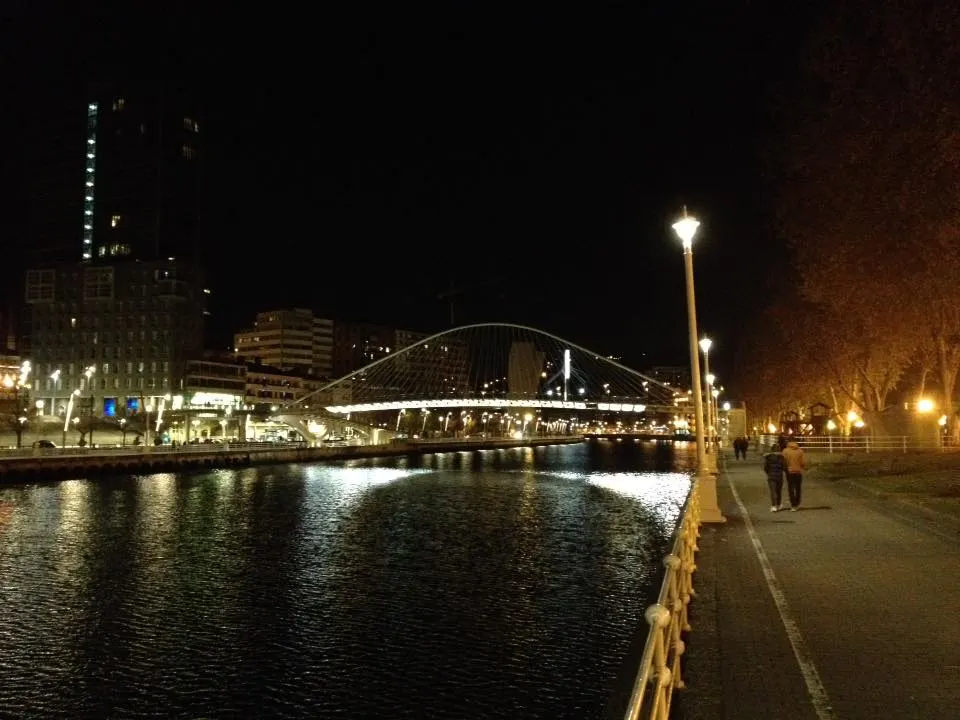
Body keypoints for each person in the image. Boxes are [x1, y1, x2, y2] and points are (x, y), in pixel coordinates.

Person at [781, 440, 807, 511]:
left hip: (789, 472)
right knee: (798, 488)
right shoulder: (800, 451)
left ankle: (793, 505)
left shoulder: (785, 451)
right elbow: (803, 462)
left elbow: (783, 462)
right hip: (798, 472)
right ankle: (797, 503)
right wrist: (803, 467)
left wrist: (785, 469)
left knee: (791, 488)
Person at [763, 443, 787, 512]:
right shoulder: (781, 457)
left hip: (771, 476)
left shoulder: (768, 457)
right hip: (779, 476)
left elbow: (765, 467)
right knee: (778, 491)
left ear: (772, 450)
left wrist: (769, 473)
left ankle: (773, 506)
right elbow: (784, 467)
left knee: (773, 491)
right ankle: (779, 505)